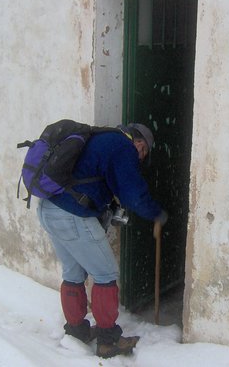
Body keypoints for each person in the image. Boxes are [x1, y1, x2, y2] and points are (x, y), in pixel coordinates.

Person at [37, 122, 168, 359]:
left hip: (49, 209)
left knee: (73, 273)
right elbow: (132, 192)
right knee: (106, 275)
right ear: (140, 144)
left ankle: (76, 331)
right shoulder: (123, 147)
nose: (140, 158)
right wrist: (156, 213)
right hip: (71, 214)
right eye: (143, 153)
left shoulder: (101, 137)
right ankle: (109, 341)